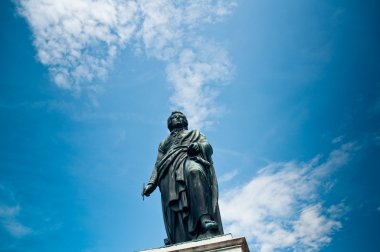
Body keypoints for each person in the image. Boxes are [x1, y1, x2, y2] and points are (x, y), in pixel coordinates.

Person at [142, 111, 223, 244]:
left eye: (180, 116)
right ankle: (179, 235)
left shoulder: (195, 133)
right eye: (173, 117)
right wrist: (151, 184)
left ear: (185, 121)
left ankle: (204, 219)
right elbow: (158, 164)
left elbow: (208, 146)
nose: (177, 118)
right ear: (169, 123)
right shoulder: (163, 143)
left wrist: (198, 146)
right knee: (174, 204)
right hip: (168, 171)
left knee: (195, 171)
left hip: (190, 158)